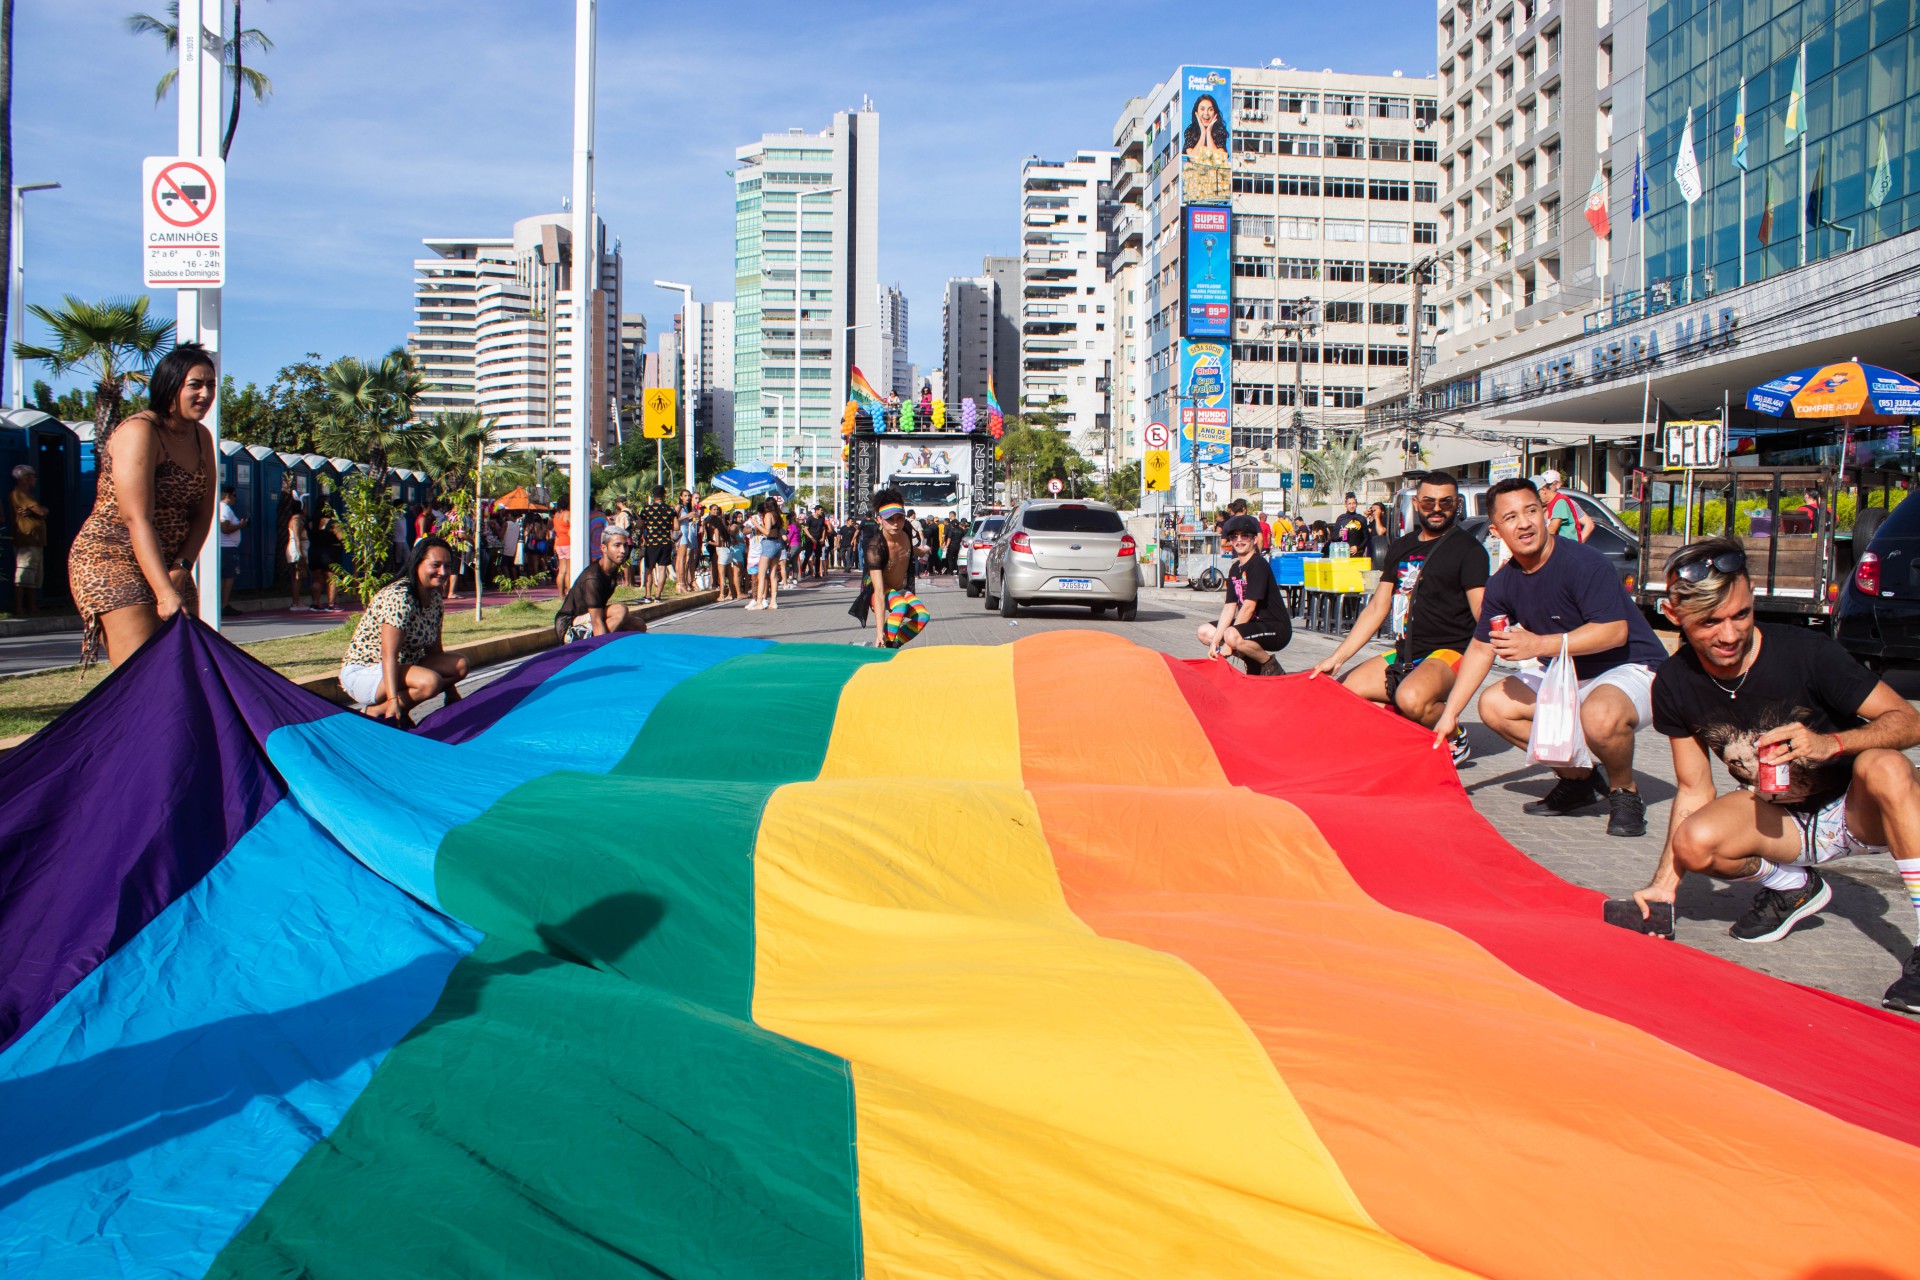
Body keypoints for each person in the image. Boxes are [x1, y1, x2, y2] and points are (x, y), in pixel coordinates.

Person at [1630, 537, 1920, 1012]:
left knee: (1885, 764)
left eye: (1740, 615)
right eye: (1710, 622)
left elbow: (1908, 721)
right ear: (1673, 615)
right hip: (1780, 819)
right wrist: (1665, 885)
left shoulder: (1807, 653)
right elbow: (1692, 787)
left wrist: (1834, 743)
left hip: (1856, 812)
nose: (1729, 635)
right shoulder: (1675, 683)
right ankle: (1794, 887)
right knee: (1693, 840)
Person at [1431, 476, 1667, 838]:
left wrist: (1539, 645)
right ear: (1496, 530)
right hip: (1568, 674)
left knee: (1599, 716)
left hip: (1631, 667)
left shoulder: (1584, 563)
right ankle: (1579, 780)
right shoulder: (1503, 582)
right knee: (1494, 705)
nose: (1524, 522)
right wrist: (1450, 715)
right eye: (1511, 518)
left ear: (1544, 514)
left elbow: (1614, 632)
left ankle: (1624, 792)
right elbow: (1481, 647)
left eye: (1531, 511)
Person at [1312, 471, 1486, 761]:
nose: (1437, 509)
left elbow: (1482, 610)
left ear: (1457, 505)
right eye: (1429, 502)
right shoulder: (1402, 546)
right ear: (1417, 504)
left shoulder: (1469, 551)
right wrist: (1337, 658)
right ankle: (1404, 733)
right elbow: (1378, 607)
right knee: (1345, 693)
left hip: (1448, 652)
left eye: (1446, 502)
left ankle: (1455, 734)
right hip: (1405, 652)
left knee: (1411, 697)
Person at [67, 344, 217, 667]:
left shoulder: (202, 437)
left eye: (211, 385)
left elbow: (203, 513)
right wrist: (164, 592)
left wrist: (182, 567)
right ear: (170, 386)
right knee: (144, 671)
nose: (205, 394)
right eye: (196, 385)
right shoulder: (141, 431)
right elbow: (137, 519)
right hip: (111, 556)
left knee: (186, 667)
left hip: (170, 562)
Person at [338, 535, 466, 725]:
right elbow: (388, 654)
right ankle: (377, 712)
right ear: (417, 564)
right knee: (430, 681)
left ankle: (400, 708)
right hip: (367, 671)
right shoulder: (400, 597)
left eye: (447, 566)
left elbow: (435, 650)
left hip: (401, 668)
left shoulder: (435, 599)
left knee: (460, 665)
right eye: (436, 565)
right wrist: (392, 700)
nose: (442, 572)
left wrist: (451, 693)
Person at [1196, 513, 1289, 675]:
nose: (1239, 540)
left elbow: (1248, 608)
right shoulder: (1235, 569)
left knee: (1231, 636)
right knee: (1205, 632)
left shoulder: (1258, 565)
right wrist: (1216, 641)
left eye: (1245, 536)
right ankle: (1252, 661)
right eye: (1234, 537)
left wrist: (1228, 644)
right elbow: (1229, 607)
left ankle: (1270, 666)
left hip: (1276, 627)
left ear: (1254, 539)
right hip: (1253, 625)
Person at [852, 490, 930, 648]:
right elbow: (879, 593)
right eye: (890, 519)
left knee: (922, 616)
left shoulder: (906, 529)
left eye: (899, 518)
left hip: (899, 588)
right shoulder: (875, 548)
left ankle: (891, 646)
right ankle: (883, 642)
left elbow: (908, 548)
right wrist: (879, 632)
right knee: (900, 605)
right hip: (877, 591)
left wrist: (921, 550)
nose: (895, 523)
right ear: (879, 519)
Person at [555, 526, 644, 642]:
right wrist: (601, 654)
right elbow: (596, 621)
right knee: (619, 610)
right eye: (617, 545)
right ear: (604, 548)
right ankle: (593, 650)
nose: (623, 550)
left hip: (587, 619)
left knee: (637, 625)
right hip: (569, 626)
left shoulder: (610, 570)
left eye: (625, 545)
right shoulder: (593, 577)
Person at [9, 464, 49, 616]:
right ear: (25, 478)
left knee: (33, 574)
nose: (35, 480)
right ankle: (22, 607)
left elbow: (40, 512)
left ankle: (31, 606)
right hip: (27, 540)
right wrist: (42, 511)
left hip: (35, 540)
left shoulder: (28, 495)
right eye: (33, 476)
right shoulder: (19, 493)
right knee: (24, 572)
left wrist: (41, 512)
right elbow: (40, 511)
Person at [636, 485, 674, 603]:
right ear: (664, 494)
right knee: (662, 569)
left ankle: (648, 596)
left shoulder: (647, 509)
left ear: (653, 495)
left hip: (652, 542)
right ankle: (658, 596)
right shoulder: (669, 509)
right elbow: (676, 526)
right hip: (666, 542)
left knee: (649, 569)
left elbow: (640, 525)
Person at [748, 496, 787, 610]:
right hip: (778, 544)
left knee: (761, 574)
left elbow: (767, 532)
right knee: (773, 574)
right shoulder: (777, 516)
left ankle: (759, 602)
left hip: (769, 544)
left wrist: (755, 523)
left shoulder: (768, 515)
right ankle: (773, 601)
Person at [1537, 469, 1593, 542]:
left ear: (1557, 484)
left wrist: (1577, 544)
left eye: (1548, 485)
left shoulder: (1564, 502)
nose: (1547, 488)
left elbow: (1589, 524)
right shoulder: (1545, 503)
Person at [308, 501, 345, 612]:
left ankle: (315, 603)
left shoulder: (311, 522)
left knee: (317, 579)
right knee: (332, 579)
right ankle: (331, 604)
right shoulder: (333, 523)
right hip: (330, 553)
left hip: (314, 552)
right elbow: (342, 537)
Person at [216, 484, 246, 616]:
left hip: (226, 547)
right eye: (234, 495)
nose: (235, 499)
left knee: (226, 576)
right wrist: (241, 525)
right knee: (229, 576)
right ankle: (224, 604)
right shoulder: (225, 509)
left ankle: (223, 604)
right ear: (227, 495)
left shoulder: (221, 508)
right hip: (227, 547)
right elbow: (225, 528)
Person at [673, 489, 698, 593]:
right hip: (681, 534)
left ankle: (682, 582)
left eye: (688, 496)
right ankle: (680, 583)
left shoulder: (686, 507)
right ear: (681, 497)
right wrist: (687, 516)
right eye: (685, 496)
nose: (687, 498)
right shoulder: (679, 507)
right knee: (680, 559)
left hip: (686, 533)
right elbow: (674, 519)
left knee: (683, 559)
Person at [553, 505, 573, 592]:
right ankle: (569, 592)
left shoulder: (556, 515)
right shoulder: (567, 514)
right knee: (569, 571)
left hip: (559, 543)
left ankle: (561, 595)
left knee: (561, 571)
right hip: (567, 542)